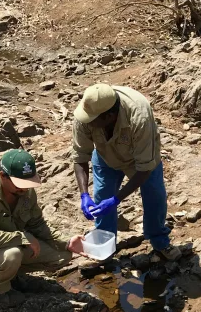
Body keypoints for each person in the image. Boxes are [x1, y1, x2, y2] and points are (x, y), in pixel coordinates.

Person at [0, 149, 86, 307]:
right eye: (20, 184)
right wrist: (24, 238)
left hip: (10, 244)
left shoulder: (26, 193)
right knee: (13, 255)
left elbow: (37, 224)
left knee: (62, 254)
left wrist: (66, 241)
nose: (24, 189)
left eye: (27, 183)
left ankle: (12, 275)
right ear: (3, 175)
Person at [72, 83, 182, 261]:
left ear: (109, 116)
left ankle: (160, 242)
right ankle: (104, 248)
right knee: (101, 199)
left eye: (93, 121)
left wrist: (117, 199)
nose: (87, 122)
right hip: (105, 156)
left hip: (140, 158)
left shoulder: (139, 116)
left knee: (155, 196)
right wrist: (84, 194)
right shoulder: (86, 114)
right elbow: (79, 157)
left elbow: (145, 168)